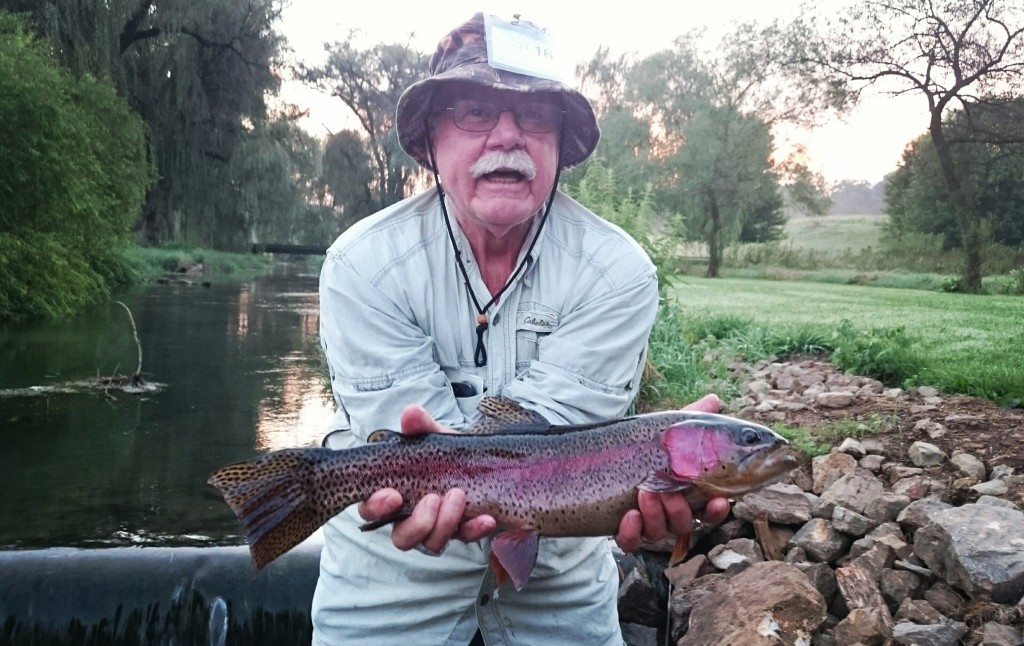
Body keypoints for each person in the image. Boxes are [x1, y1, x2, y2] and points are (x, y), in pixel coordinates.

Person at [314, 12, 729, 645]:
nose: (508, 136)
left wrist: (656, 459)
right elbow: (409, 452)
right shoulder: (362, 265)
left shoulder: (618, 274)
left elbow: (552, 461)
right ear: (430, 139)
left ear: (561, 142)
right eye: (475, 111)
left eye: (536, 116)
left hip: (557, 585)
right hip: (390, 583)